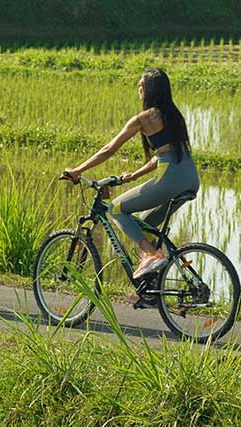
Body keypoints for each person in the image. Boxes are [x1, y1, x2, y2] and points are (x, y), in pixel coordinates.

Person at [61, 68, 198, 281]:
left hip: (169, 179)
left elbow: (109, 149)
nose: (138, 90)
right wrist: (135, 175)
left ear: (148, 91)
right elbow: (164, 154)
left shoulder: (144, 118)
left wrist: (77, 170)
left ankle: (152, 255)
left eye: (140, 86)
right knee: (145, 223)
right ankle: (153, 286)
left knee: (116, 208)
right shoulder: (174, 116)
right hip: (190, 178)